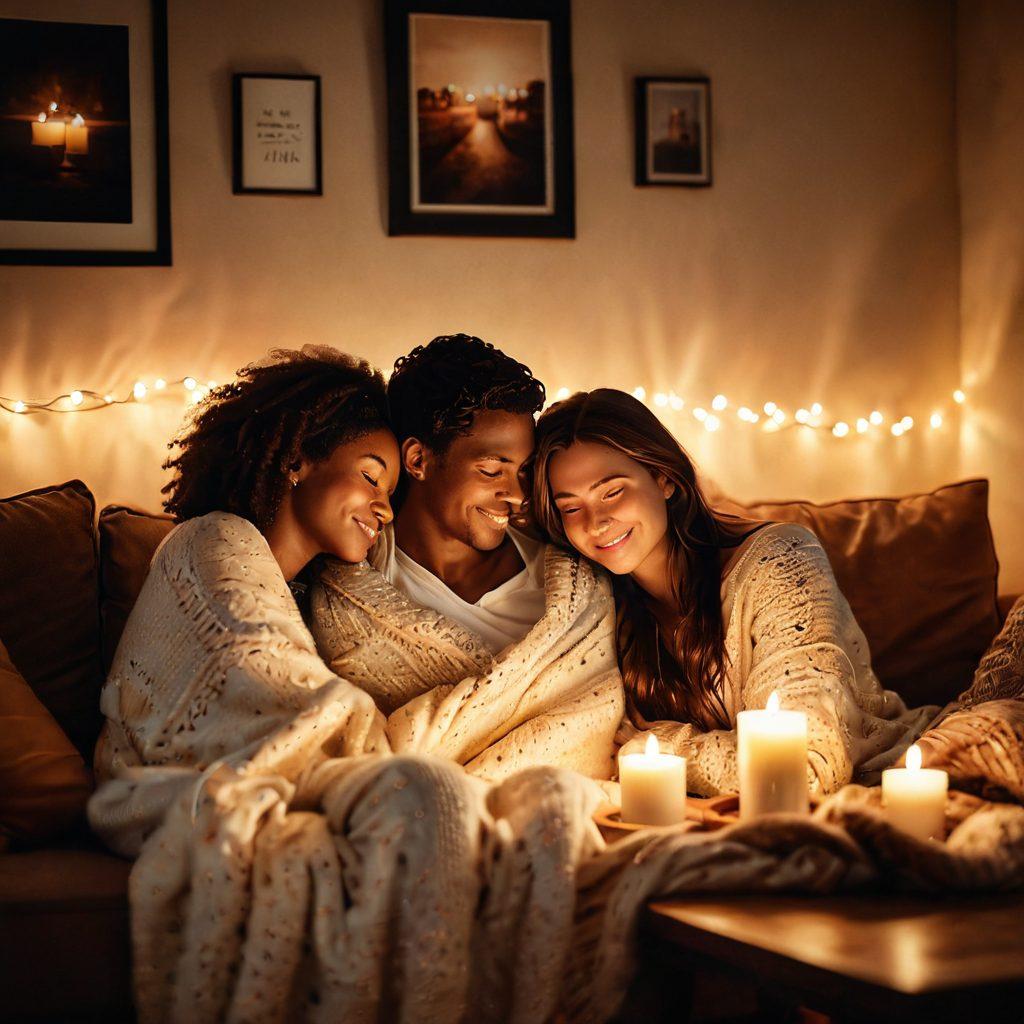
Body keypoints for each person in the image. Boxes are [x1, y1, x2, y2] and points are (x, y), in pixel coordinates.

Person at [530, 388, 937, 797]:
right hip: (717, 818)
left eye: (613, 491)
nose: (597, 522)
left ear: (664, 477)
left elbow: (805, 766)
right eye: (571, 508)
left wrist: (662, 748)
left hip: (886, 781)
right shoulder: (595, 604)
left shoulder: (782, 559)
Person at [89, 346, 399, 855]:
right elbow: (259, 669)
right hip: (160, 793)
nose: (384, 507)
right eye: (370, 475)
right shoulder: (209, 540)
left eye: (391, 492)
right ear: (297, 458)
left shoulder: (326, 598)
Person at [308, 334, 624, 779]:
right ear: (418, 460)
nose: (514, 495)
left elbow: (591, 715)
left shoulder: (576, 589)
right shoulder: (350, 590)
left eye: (522, 473)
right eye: (491, 470)